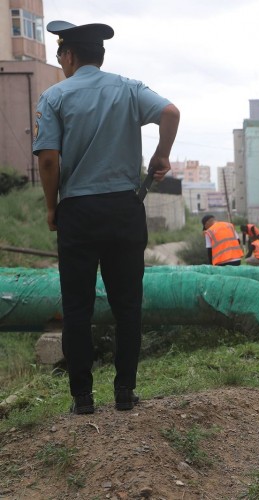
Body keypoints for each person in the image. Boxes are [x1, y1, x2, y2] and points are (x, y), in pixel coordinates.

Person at [33, 20, 180, 414]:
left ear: (69, 55)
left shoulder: (54, 97)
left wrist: (52, 207)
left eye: (60, 55)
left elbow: (48, 159)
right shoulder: (129, 88)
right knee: (128, 305)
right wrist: (161, 154)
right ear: (100, 55)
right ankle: (125, 393)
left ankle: (82, 398)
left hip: (78, 212)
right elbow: (169, 111)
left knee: (77, 307)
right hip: (123, 209)